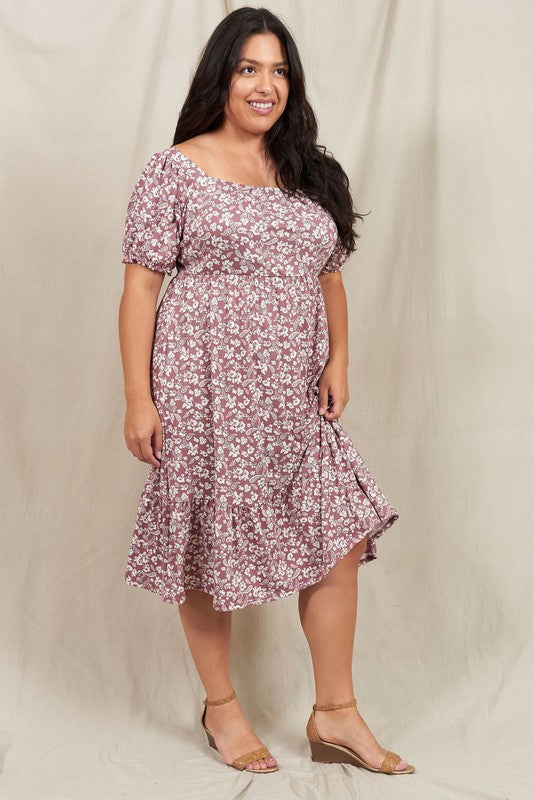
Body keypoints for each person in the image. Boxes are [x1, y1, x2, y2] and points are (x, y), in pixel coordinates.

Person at [118, 5, 414, 777]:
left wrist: (339, 359)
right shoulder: (174, 169)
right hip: (205, 386)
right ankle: (221, 708)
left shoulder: (307, 169)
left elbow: (328, 277)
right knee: (206, 543)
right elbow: (141, 290)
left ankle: (335, 712)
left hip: (293, 394)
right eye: (249, 67)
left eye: (279, 70)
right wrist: (139, 399)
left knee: (337, 535)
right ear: (221, 76)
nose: (265, 84)